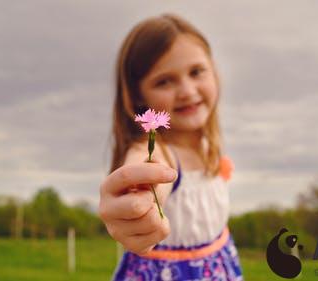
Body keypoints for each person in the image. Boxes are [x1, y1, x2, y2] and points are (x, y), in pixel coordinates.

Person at [99, 13, 244, 280]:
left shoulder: (207, 147)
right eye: (164, 81)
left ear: (214, 71)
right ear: (138, 96)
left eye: (196, 71)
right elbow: (146, 170)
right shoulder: (157, 150)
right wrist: (137, 201)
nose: (187, 90)